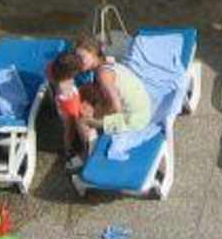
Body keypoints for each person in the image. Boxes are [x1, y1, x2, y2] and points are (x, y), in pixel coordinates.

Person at [50, 38, 152, 168]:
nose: (78, 62)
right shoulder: (106, 63)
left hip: (133, 118)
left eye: (82, 57)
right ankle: (86, 134)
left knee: (82, 121)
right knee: (86, 90)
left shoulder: (103, 75)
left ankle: (86, 156)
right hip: (139, 107)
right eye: (76, 57)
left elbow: (116, 107)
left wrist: (95, 114)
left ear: (94, 54)